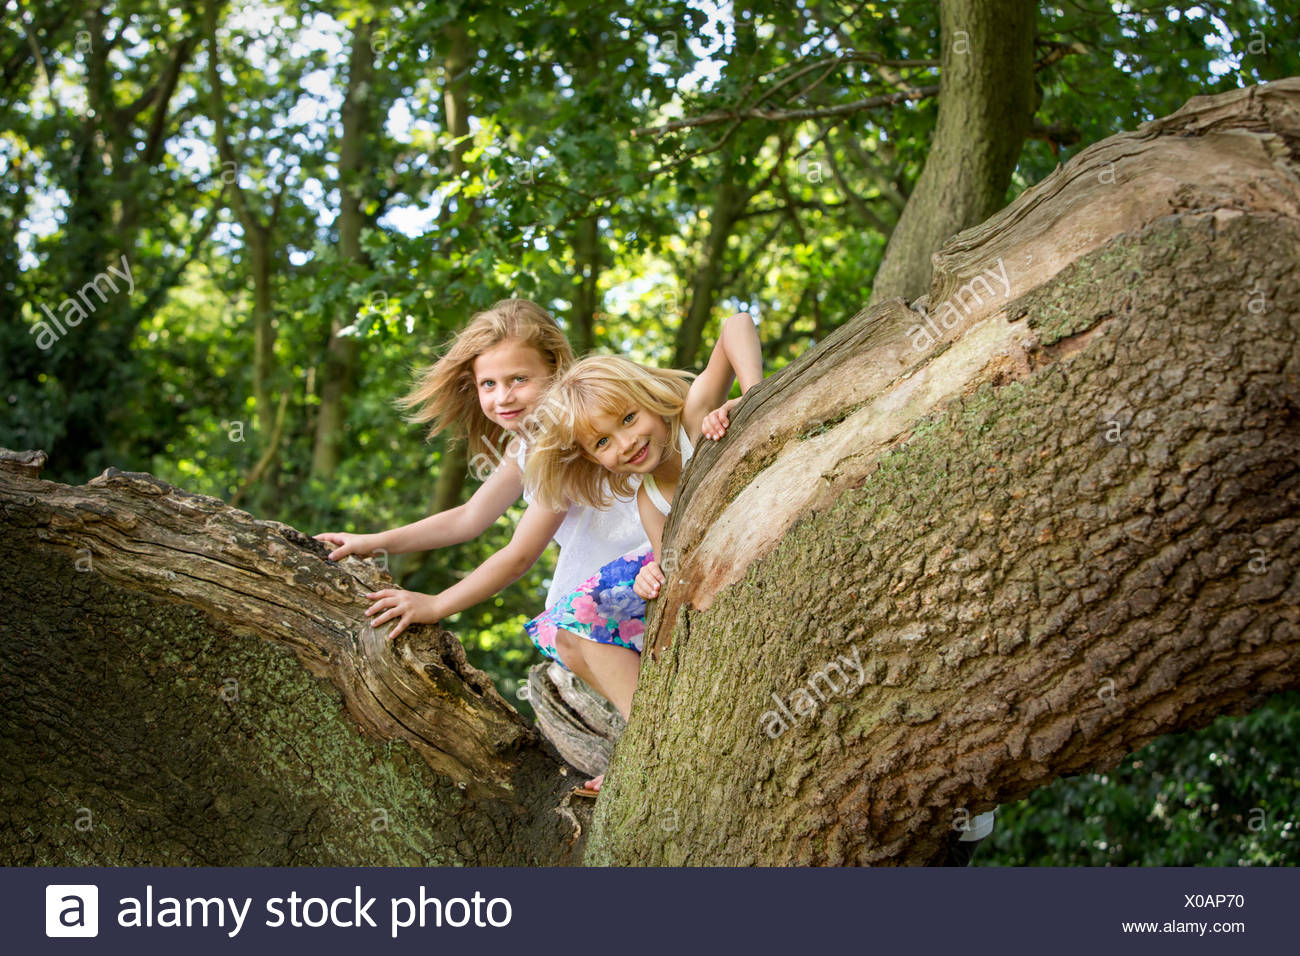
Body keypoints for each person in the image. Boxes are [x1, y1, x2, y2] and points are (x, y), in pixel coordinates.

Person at [313, 299, 649, 796]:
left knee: (572, 630)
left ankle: (649, 743)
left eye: (518, 379)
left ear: (555, 368)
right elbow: (469, 518)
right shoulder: (525, 446)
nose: (502, 397)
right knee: (569, 642)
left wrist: (436, 605)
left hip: (639, 557)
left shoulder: (563, 437)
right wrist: (375, 541)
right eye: (488, 384)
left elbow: (518, 555)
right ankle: (649, 735)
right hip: (606, 575)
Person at [523, 312, 763, 795]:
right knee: (566, 625)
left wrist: (758, 395)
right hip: (714, 580)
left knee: (576, 615)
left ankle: (651, 741)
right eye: (603, 442)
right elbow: (672, 563)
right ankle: (655, 735)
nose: (626, 443)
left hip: (757, 539)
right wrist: (650, 577)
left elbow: (735, 322)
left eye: (629, 418)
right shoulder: (647, 499)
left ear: (652, 401)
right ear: (593, 458)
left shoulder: (696, 423)